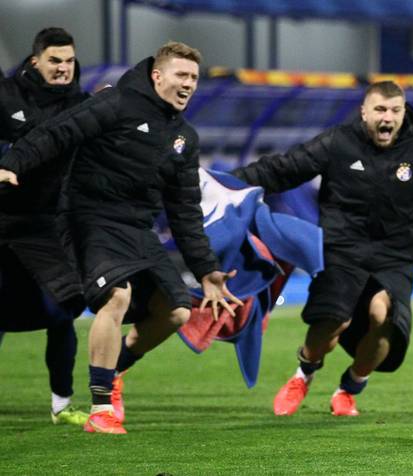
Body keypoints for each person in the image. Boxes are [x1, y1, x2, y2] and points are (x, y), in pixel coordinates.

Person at [0, 41, 241, 434]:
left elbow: (184, 210)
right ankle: (99, 410)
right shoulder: (116, 103)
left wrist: (206, 271)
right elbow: (58, 132)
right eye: (182, 75)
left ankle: (115, 373)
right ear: (157, 75)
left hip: (136, 229)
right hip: (87, 217)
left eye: (194, 78)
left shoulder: (185, 137)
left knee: (177, 311)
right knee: (118, 294)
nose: (189, 84)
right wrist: (12, 163)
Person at [232, 81, 413, 418]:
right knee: (333, 322)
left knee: (381, 316)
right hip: (341, 251)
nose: (387, 117)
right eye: (380, 110)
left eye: (394, 110)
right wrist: (227, 182)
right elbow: (283, 168)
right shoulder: (338, 142)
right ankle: (304, 373)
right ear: (364, 112)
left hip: (394, 257)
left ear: (403, 112)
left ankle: (349, 388)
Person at [0, 27, 89, 426]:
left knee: (63, 310)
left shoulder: (83, 104)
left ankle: (61, 404)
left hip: (45, 226)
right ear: (35, 60)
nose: (63, 68)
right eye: (55, 60)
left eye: (69, 61)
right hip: (2, 220)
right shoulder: (5, 96)